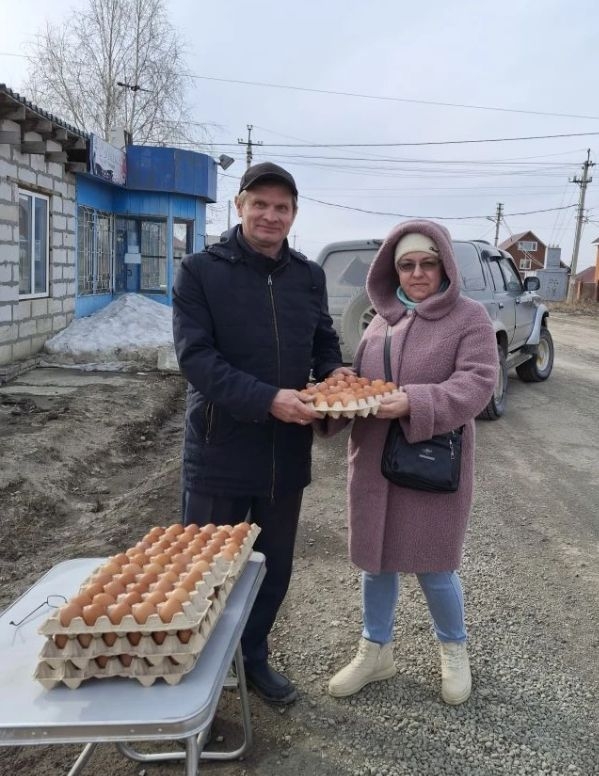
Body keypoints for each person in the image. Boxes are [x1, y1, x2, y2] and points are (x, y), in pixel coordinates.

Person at [172, 161, 349, 705]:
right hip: (220, 447)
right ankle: (196, 676)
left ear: (294, 214)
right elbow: (196, 358)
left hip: (284, 451)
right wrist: (268, 398)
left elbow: (323, 340)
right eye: (260, 204)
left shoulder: (307, 276)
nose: (271, 215)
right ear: (239, 206)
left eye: (282, 207)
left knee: (272, 566)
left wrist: (334, 374)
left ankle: (252, 658)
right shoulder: (200, 271)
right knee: (207, 568)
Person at [326, 219, 498, 705]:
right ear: (393, 270)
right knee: (375, 563)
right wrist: (339, 389)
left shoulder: (469, 318)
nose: (417, 273)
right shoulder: (380, 321)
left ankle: (454, 650)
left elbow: (478, 382)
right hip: (374, 463)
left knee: (435, 565)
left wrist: (415, 402)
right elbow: (365, 381)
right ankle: (375, 650)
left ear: (445, 265)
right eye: (407, 265)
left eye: (427, 263)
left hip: (429, 462)